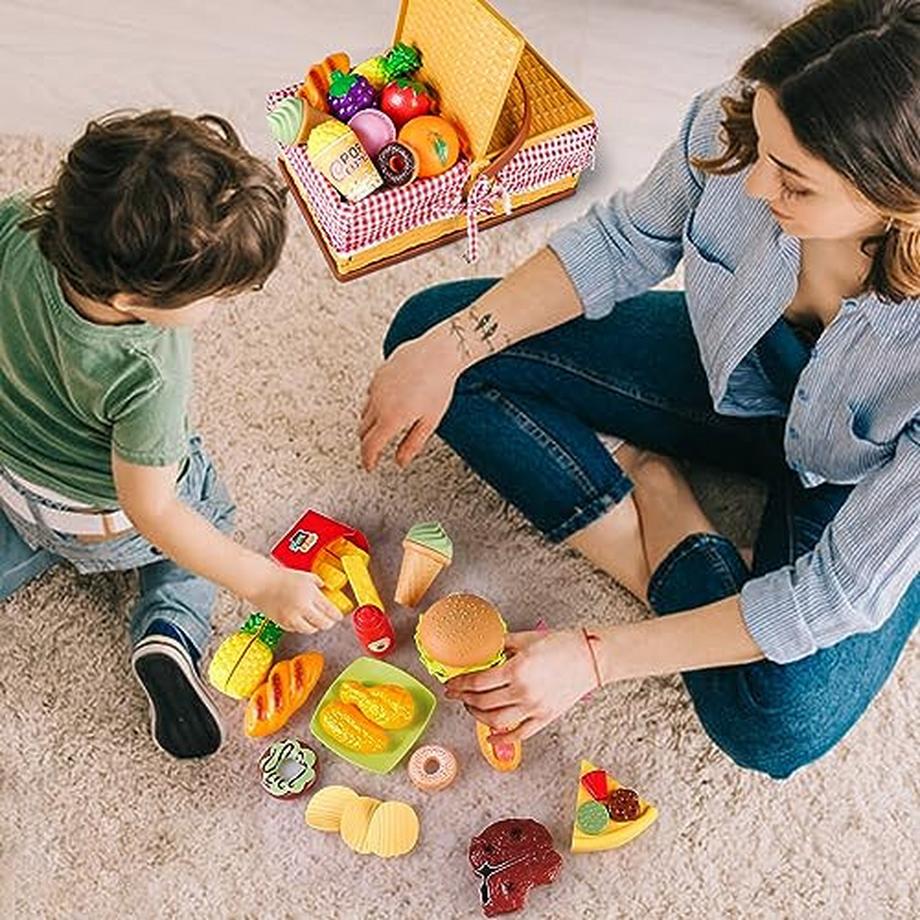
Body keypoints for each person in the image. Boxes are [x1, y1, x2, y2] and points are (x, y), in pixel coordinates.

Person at [361, 0, 920, 779]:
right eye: (762, 144)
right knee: (432, 337)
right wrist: (453, 346)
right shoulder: (738, 127)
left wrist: (595, 658)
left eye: (793, 184)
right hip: (737, 377)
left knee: (773, 724)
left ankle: (664, 502)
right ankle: (665, 505)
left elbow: (836, 594)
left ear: (898, 203)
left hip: (859, 479)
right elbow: (626, 243)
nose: (753, 185)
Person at [0, 111, 342, 760]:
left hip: (13, 481)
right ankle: (167, 632)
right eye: (214, 298)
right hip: (103, 525)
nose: (214, 312)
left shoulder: (18, 228)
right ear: (134, 300)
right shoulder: (150, 367)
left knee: (22, 526)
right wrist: (264, 582)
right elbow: (150, 508)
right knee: (198, 516)